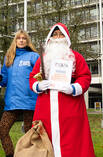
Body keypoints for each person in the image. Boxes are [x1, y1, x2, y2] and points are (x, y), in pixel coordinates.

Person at [29, 23, 95, 157]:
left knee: (72, 141)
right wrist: (38, 85)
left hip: (70, 106)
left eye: (61, 35)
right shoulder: (42, 58)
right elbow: (32, 77)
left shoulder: (76, 57)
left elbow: (85, 76)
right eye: (55, 35)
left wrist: (73, 88)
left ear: (66, 38)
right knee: (45, 139)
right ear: (50, 38)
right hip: (46, 106)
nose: (58, 38)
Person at [0, 30, 39, 157]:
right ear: (15, 41)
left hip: (30, 100)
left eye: (24, 38)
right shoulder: (9, 57)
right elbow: (5, 78)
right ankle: (10, 155)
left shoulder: (34, 57)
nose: (21, 40)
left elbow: (39, 77)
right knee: (2, 130)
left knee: (30, 133)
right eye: (19, 38)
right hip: (13, 101)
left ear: (27, 41)